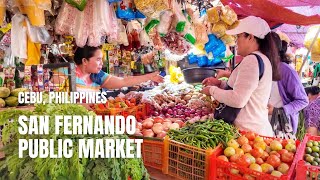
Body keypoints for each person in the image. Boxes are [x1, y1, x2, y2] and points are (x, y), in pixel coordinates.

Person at [201, 16, 281, 137]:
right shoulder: (262, 59)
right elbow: (247, 91)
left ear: (250, 37)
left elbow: (238, 99)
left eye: (238, 36)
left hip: (249, 134)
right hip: (254, 131)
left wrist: (212, 90)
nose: (236, 41)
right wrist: (220, 84)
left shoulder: (252, 60)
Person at [53, 45, 163, 92]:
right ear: (84, 61)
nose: (102, 63)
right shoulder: (63, 73)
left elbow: (123, 81)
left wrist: (149, 77)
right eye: (98, 59)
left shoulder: (97, 76)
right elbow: (51, 100)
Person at [267, 32, 308, 136]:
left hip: (281, 125)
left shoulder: (286, 71)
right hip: (263, 123)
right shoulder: (263, 68)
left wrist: (278, 111)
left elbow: (302, 100)